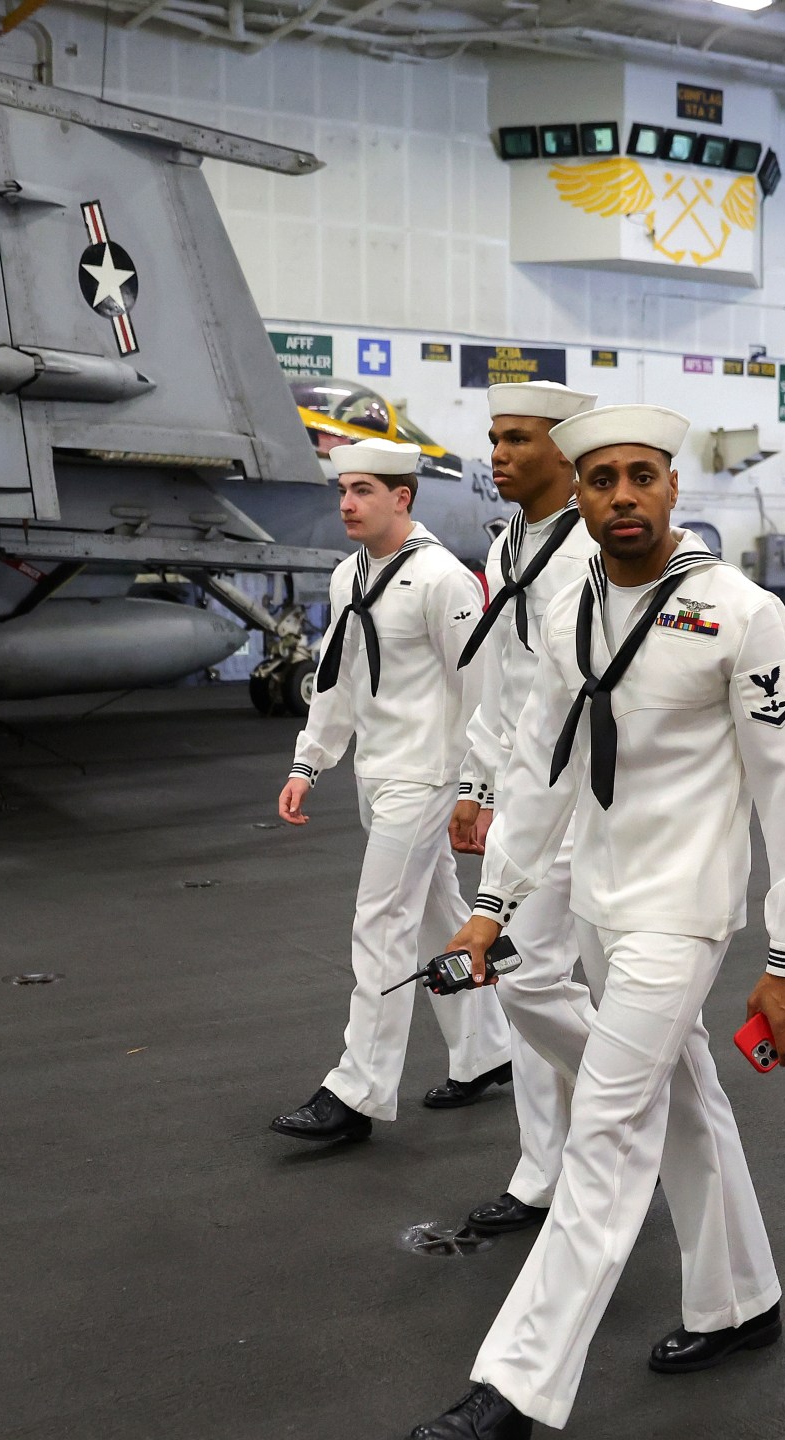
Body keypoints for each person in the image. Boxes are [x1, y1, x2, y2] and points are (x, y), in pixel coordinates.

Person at [406, 405, 785, 1440]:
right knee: (688, 1101)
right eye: (601, 481)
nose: (622, 497)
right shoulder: (571, 616)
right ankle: (741, 1302)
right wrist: (489, 911)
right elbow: (539, 779)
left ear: (672, 488)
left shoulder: (741, 615)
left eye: (641, 476)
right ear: (584, 493)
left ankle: (512, 1388)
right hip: (600, 904)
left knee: (605, 1132)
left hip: (680, 917)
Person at [271, 437, 515, 1143]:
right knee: (441, 914)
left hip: (428, 775)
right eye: (342, 490)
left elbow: (482, 694)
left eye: (363, 490)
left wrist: (479, 789)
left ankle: (358, 1091)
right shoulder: (349, 575)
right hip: (375, 772)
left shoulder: (443, 580)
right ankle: (486, 1051)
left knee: (381, 923)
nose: (346, 502)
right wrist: (308, 761)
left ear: (402, 497)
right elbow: (335, 676)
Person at [447, 380, 606, 1239]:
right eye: (495, 438)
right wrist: (479, 787)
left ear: (562, 449)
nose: (497, 454)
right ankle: (549, 1168)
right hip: (524, 795)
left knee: (533, 978)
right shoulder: (512, 540)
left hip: (584, 801)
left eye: (517, 439)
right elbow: (505, 683)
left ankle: (625, 1108)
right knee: (524, 979)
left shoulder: (591, 549)